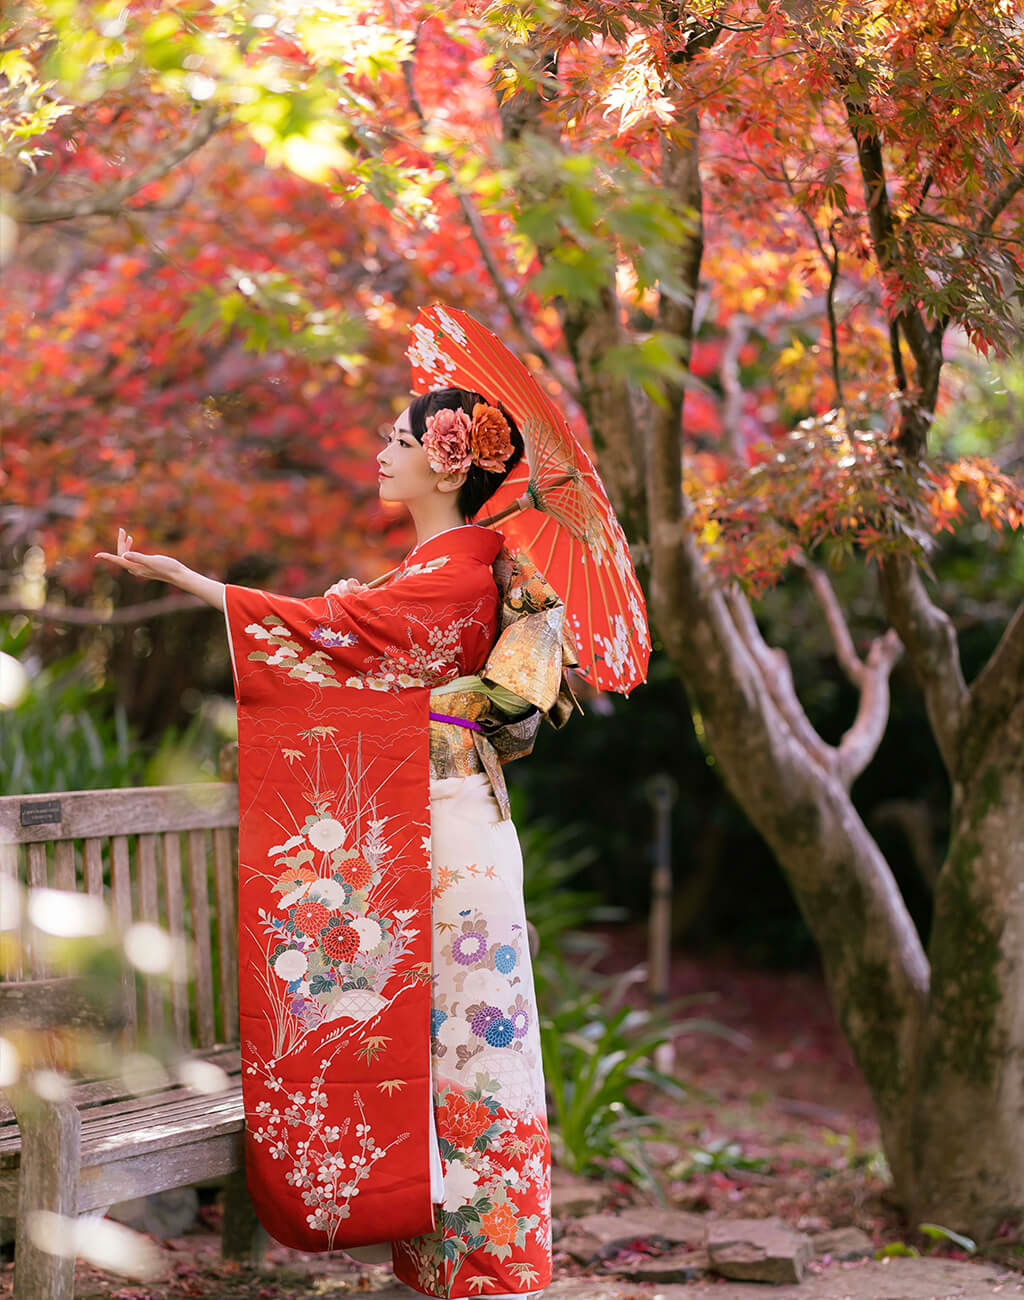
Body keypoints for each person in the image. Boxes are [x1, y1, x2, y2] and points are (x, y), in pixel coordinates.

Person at [95, 386, 581, 1299]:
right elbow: (351, 641)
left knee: (472, 1043)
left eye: (397, 439)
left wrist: (198, 584)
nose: (380, 453)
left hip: (448, 828)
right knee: (429, 1042)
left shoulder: (461, 572)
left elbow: (336, 637)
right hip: (429, 814)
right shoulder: (439, 568)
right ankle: (439, 1258)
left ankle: (486, 1268)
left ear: (446, 460)